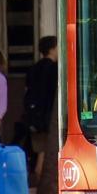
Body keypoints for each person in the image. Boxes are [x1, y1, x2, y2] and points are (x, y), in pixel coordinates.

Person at [23, 36, 58, 180]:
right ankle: (40, 180)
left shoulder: (33, 68)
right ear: (52, 49)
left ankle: (37, 176)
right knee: (44, 152)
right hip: (48, 115)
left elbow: (27, 91)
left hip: (34, 114)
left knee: (39, 150)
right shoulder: (54, 68)